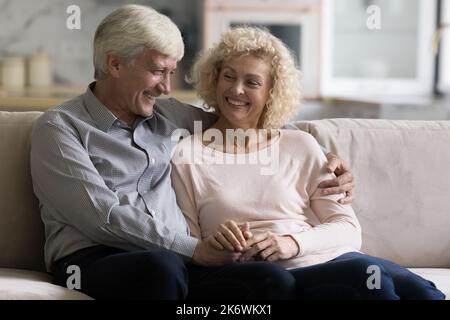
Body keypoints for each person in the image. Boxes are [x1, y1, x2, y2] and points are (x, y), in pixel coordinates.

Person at [30, 5, 353, 300]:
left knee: (268, 279)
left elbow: (243, 120)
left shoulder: (169, 115)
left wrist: (325, 157)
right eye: (158, 71)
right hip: (95, 257)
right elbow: (102, 217)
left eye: (171, 73)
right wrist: (194, 250)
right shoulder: (60, 128)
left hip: (179, 259)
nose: (166, 88)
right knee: (161, 270)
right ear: (115, 63)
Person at [170, 26, 445, 300]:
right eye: (228, 76)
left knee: (423, 293)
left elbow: (348, 229)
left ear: (271, 93)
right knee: (367, 277)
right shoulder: (187, 155)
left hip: (324, 257)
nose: (236, 89)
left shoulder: (300, 145)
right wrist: (216, 245)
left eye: (252, 82)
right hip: (272, 275)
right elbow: (192, 247)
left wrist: (291, 243)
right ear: (214, 79)